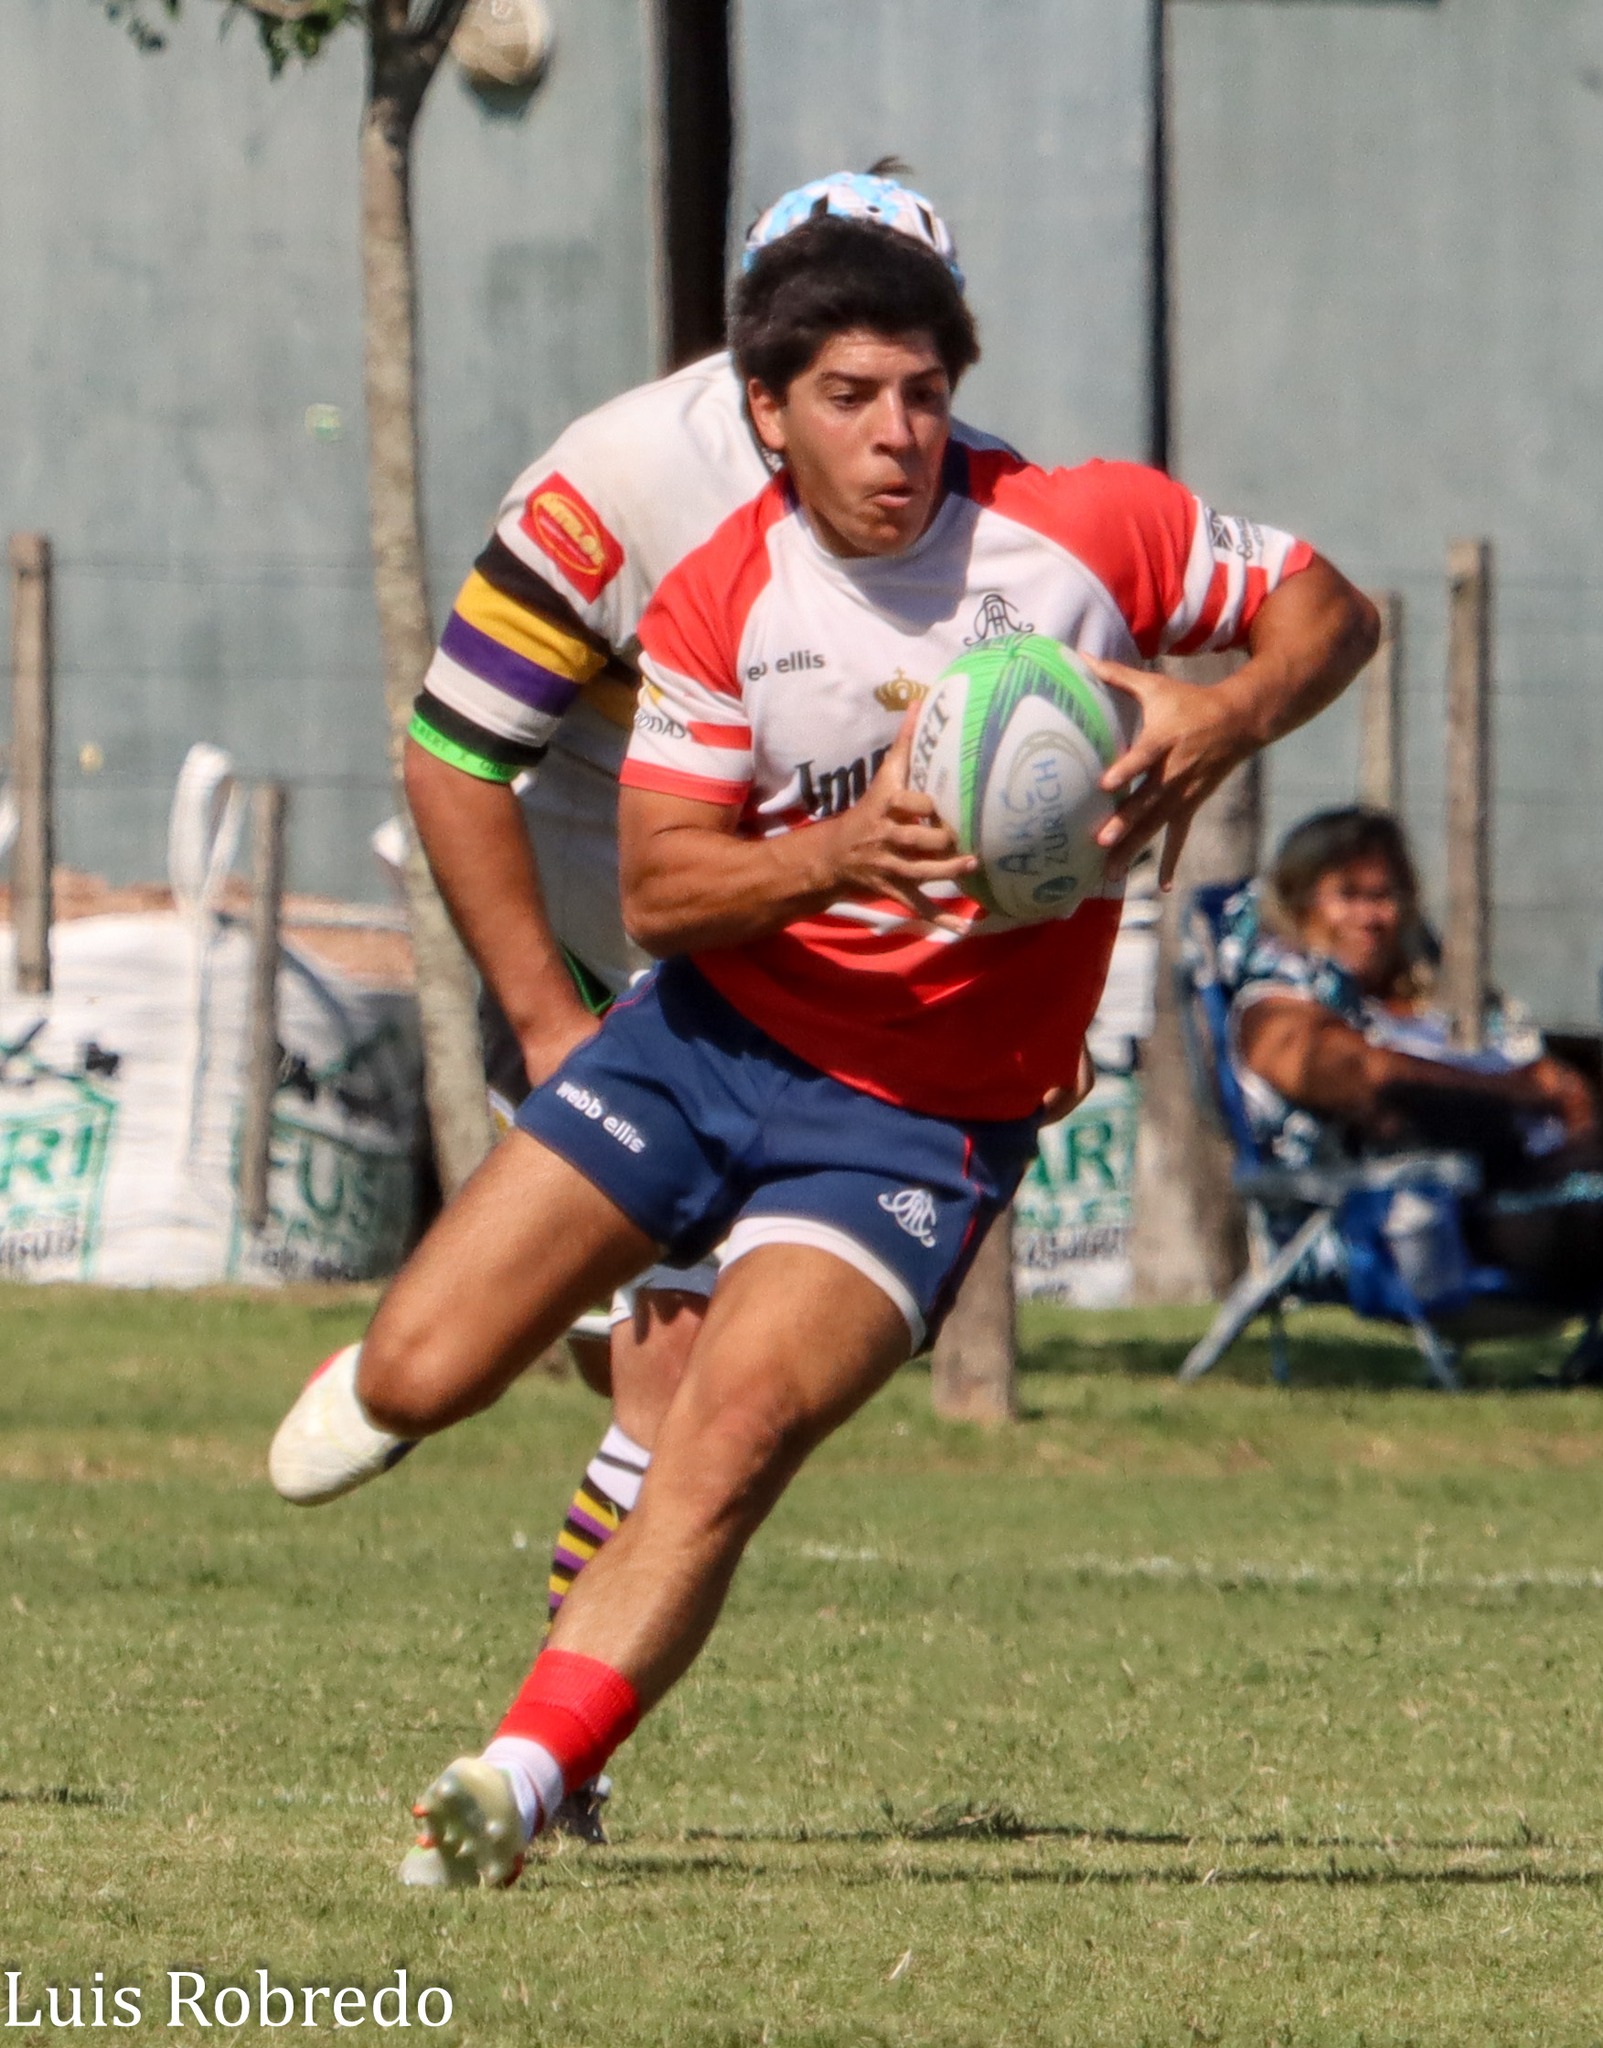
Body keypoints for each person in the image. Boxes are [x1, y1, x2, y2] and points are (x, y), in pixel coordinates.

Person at [337, 207, 1377, 1887]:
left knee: (734, 1430)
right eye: (846, 396)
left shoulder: (1084, 531)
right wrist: (843, 852)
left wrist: (1224, 705)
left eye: (921, 392)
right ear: (764, 410)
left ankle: (520, 1781)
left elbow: (1330, 607)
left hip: (913, 1117)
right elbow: (668, 887)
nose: (895, 435)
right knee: (417, 1374)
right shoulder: (717, 593)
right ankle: (597, 1431)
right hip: (699, 1041)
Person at [268, 174, 1000, 1808]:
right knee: (641, 1365)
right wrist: (546, 1018)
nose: (889, 404)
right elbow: (455, 755)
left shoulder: (941, 483)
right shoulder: (617, 483)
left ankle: (549, 1755)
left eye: (914, 351)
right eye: (835, 347)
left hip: (803, 965)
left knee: (692, 1373)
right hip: (617, 923)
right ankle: (419, 1384)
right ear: (758, 360)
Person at [1220, 806, 1603, 1308]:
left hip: (1529, 1180)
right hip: (1415, 1224)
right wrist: (1528, 1089)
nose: (1372, 917)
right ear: (1298, 901)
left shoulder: (1408, 999)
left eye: (1385, 896)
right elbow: (1363, 1072)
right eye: (1348, 896)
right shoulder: (1276, 1009)